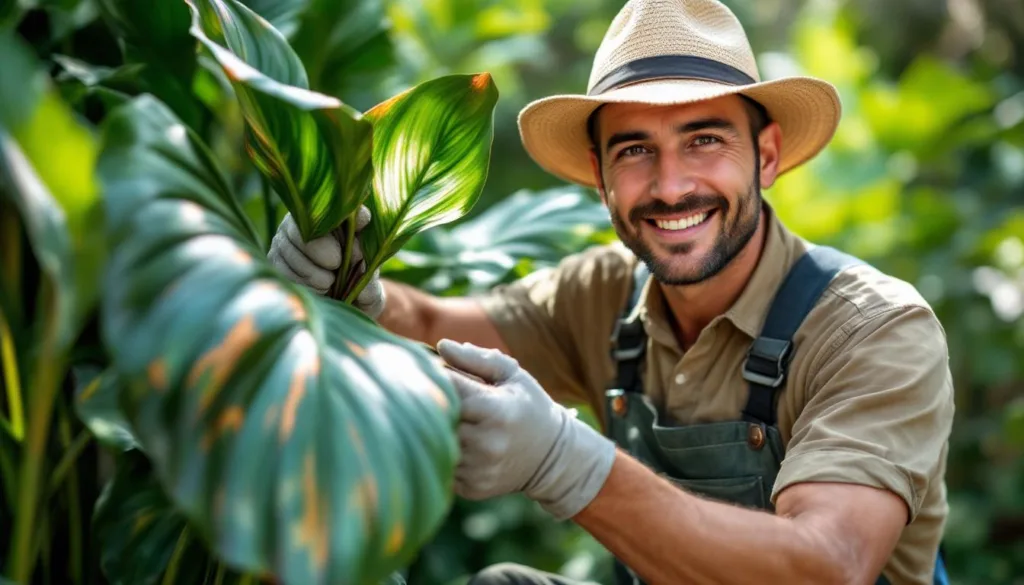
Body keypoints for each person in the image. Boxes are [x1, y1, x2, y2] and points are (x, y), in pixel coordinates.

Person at [268, 0, 955, 583]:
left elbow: (831, 563)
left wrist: (566, 463)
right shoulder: (603, 295)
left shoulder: (873, 329)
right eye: (634, 150)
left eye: (704, 140)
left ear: (766, 155)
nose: (670, 187)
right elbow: (433, 326)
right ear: (600, 176)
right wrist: (353, 288)